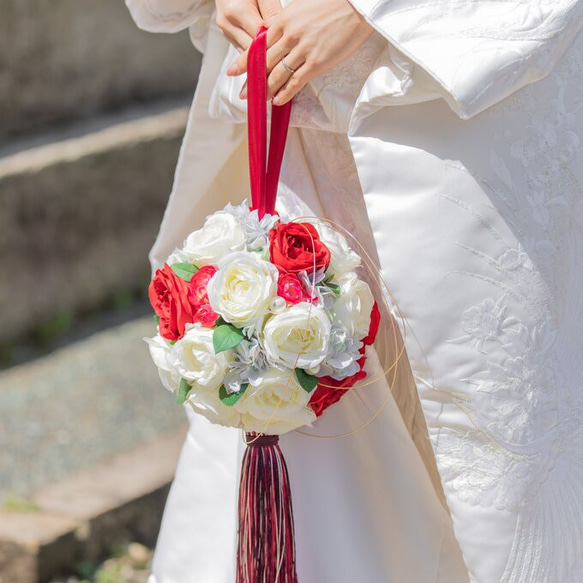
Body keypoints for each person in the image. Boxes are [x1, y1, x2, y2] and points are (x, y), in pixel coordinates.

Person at [126, 1, 583, 581]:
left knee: (488, 435)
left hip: (447, 112)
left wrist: (365, 10)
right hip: (294, 126)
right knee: (312, 396)